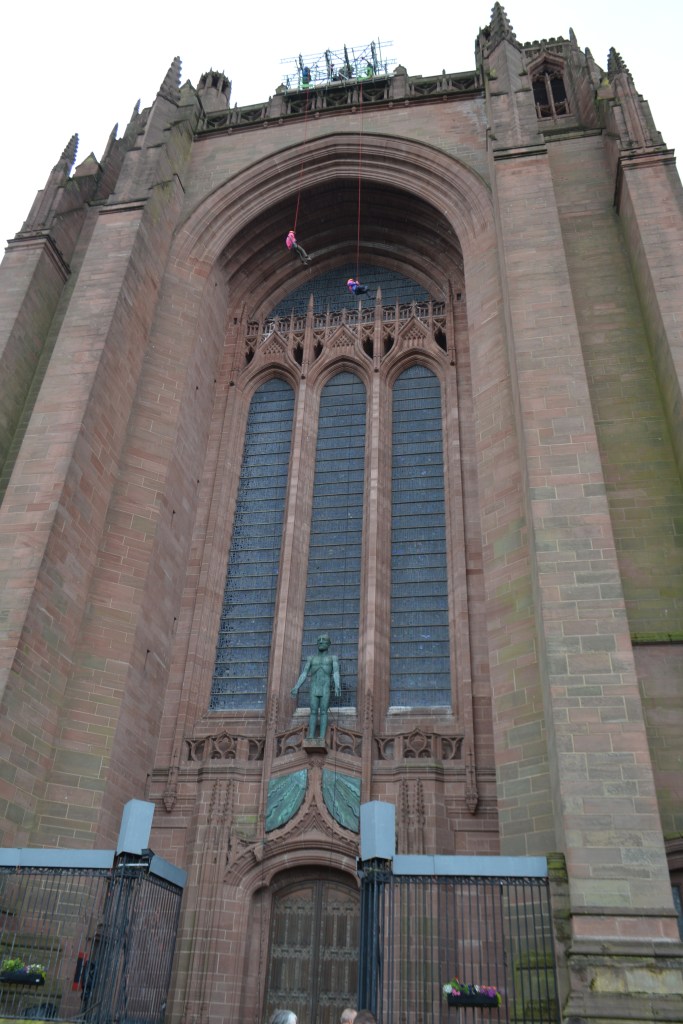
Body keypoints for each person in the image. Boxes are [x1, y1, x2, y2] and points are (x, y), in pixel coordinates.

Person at [291, 633, 341, 739]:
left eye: (324, 640)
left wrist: (337, 685)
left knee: (323, 711)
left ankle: (322, 737)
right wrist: (297, 686)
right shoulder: (311, 658)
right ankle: (310, 736)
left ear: (329, 644)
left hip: (325, 687)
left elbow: (336, 672)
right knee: (313, 711)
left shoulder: (333, 658)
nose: (321, 641)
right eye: (319, 640)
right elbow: (304, 673)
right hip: (314, 687)